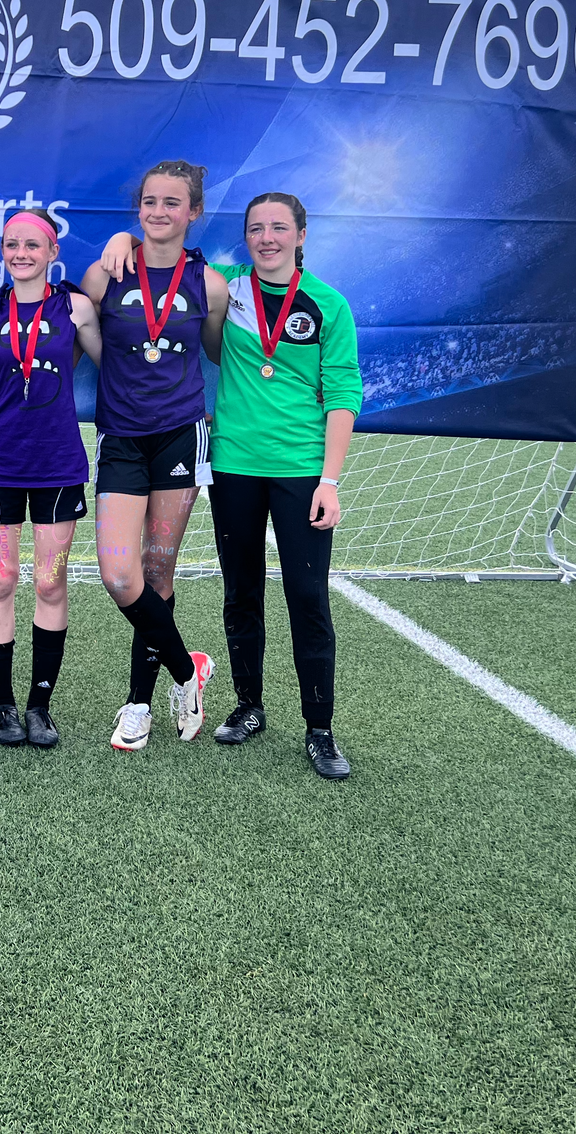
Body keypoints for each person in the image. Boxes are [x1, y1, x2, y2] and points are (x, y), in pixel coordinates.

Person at [205, 191, 362, 780]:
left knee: (307, 598)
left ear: (301, 234)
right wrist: (123, 241)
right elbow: (163, 261)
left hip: (301, 470)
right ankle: (249, 705)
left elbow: (343, 394)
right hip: (234, 465)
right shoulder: (225, 288)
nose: (266, 238)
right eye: (255, 228)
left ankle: (320, 729)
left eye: (278, 227)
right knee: (241, 591)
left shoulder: (328, 304)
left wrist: (330, 481)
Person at [88, 161, 231, 751]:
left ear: (193, 211)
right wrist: (117, 242)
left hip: (179, 435)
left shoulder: (211, 286)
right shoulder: (105, 273)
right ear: (138, 208)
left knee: (156, 572)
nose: (159, 212)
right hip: (121, 437)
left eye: (173, 203)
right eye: (150, 201)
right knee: (118, 575)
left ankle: (138, 705)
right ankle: (185, 668)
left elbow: (218, 355)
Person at [0, 209, 101, 748]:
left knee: (49, 582)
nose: (21, 253)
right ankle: (3, 706)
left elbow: (116, 366)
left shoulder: (76, 308)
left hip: (58, 463)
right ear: (2, 251)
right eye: (12, 244)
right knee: (0, 580)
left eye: (32, 245)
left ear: (52, 252)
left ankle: (40, 706)